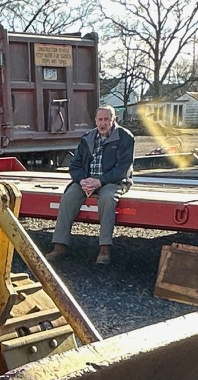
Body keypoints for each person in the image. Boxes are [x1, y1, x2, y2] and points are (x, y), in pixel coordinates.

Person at [48, 104, 137, 265]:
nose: (103, 123)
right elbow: (74, 166)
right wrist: (82, 180)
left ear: (113, 120)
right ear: (95, 121)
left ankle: (104, 249)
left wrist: (100, 181)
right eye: (100, 119)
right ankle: (59, 245)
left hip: (113, 181)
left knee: (108, 199)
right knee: (68, 197)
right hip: (88, 180)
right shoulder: (87, 138)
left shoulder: (125, 137)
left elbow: (123, 169)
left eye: (107, 119)